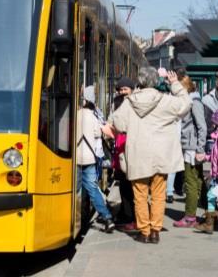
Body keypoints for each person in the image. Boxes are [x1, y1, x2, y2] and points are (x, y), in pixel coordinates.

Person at [109, 67, 191, 244]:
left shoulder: (129, 102)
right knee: (159, 194)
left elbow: (118, 123)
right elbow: (186, 103)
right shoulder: (166, 100)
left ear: (140, 81)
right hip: (161, 155)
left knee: (140, 195)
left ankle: (144, 231)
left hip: (139, 155)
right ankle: (155, 231)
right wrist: (175, 84)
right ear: (156, 81)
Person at [77, 85, 115, 233]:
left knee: (77, 189)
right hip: (90, 158)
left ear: (84, 100)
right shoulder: (93, 116)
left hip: (76, 160)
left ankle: (78, 217)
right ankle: (107, 217)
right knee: (93, 188)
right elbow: (98, 134)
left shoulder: (76, 114)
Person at [173, 75, 207, 228]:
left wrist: (200, 148)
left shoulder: (194, 102)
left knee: (191, 182)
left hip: (192, 148)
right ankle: (210, 211)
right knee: (198, 180)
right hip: (189, 145)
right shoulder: (189, 101)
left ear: (185, 87)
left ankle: (190, 217)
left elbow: (202, 126)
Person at [111, 94, 137, 232]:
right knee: (126, 190)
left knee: (127, 191)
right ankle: (128, 215)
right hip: (123, 165)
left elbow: (121, 148)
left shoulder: (124, 129)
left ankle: (129, 217)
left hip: (125, 166)